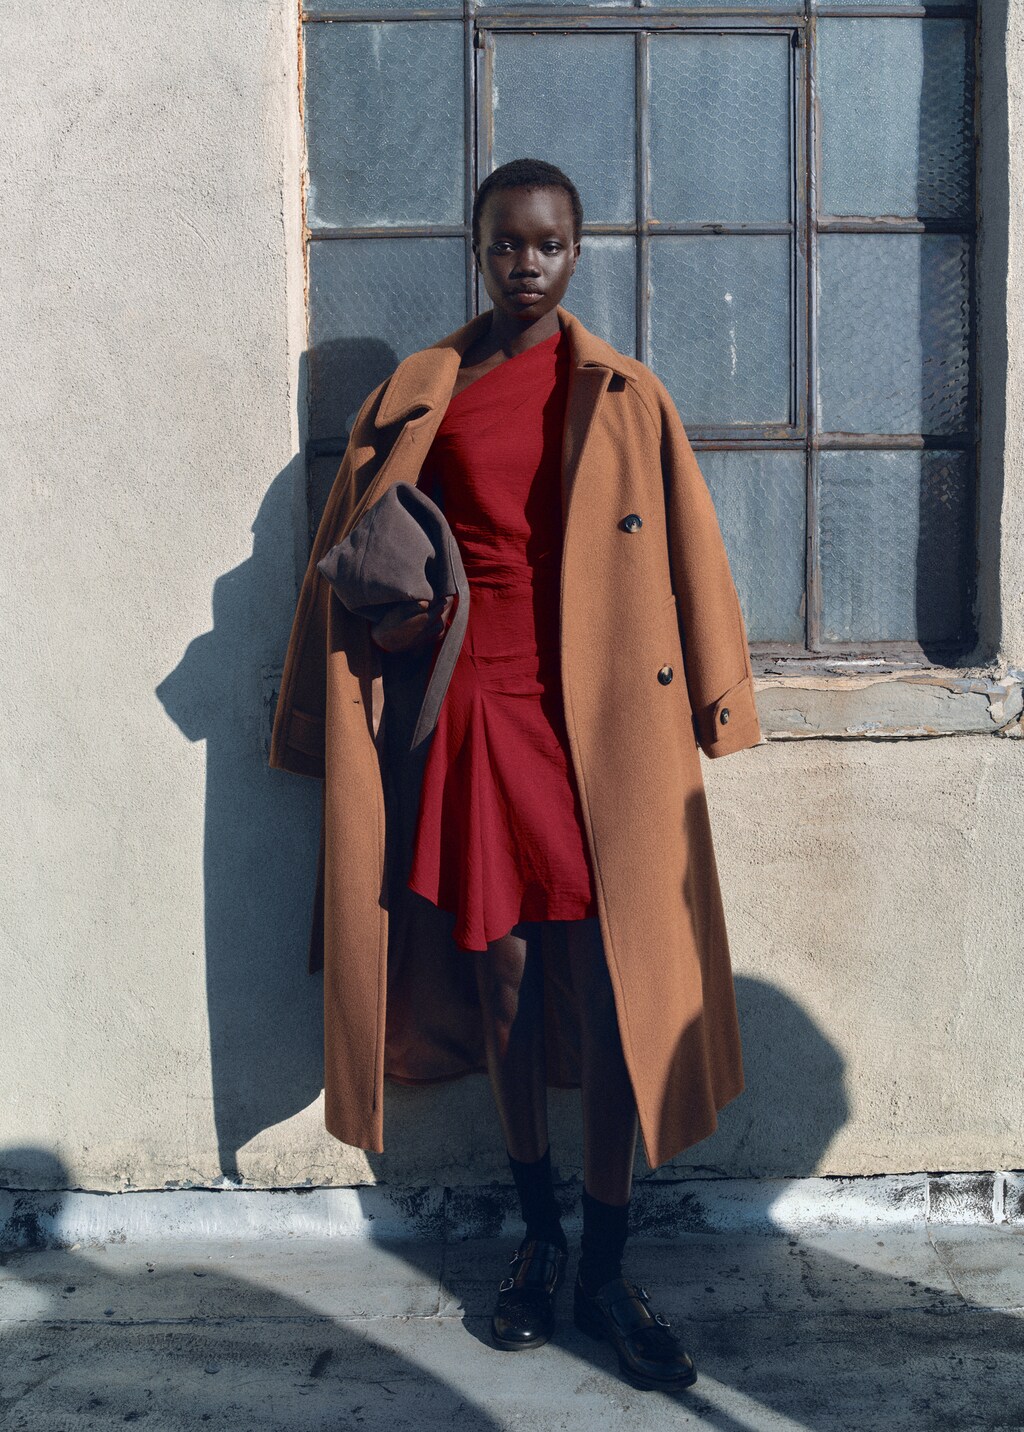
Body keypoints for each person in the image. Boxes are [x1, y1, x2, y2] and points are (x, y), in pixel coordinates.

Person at [270, 157, 764, 1393]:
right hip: (474, 703)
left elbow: (691, 549)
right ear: (478, 249)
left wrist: (720, 699)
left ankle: (607, 1260)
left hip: (597, 716)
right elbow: (356, 542)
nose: (526, 264)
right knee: (499, 977)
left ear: (576, 254)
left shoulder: (621, 391)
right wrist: (337, 677)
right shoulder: (425, 392)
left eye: (548, 245)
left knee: (603, 990)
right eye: (505, 244)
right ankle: (538, 1236)